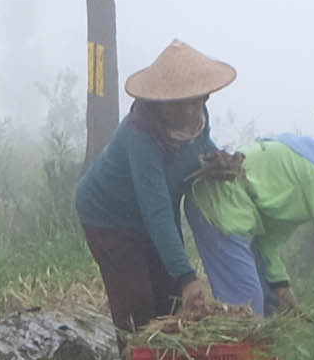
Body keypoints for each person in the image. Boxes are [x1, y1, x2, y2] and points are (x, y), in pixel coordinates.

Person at [69, 42, 234, 334]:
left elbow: (201, 146)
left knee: (170, 301)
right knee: (137, 306)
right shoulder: (141, 136)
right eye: (187, 102)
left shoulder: (197, 120)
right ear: (165, 103)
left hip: (153, 217)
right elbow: (156, 210)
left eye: (201, 100)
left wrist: (217, 162)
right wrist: (187, 276)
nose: (196, 108)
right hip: (109, 219)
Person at [188, 134, 314, 314]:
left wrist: (281, 286)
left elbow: (268, 239)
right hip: (218, 204)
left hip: (228, 207)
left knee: (267, 308)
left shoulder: (309, 165)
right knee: (247, 308)